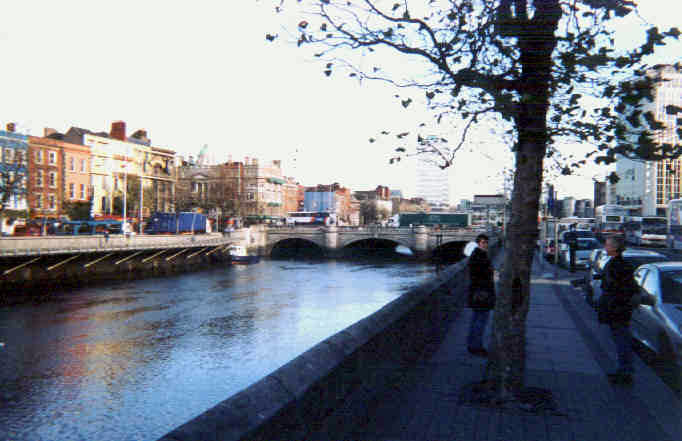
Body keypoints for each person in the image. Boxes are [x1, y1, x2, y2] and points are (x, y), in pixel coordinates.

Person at [597, 235, 638, 385]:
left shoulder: (616, 265)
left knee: (621, 340)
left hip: (617, 308)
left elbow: (615, 287)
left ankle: (625, 372)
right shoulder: (621, 264)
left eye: (607, 245)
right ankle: (624, 370)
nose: (605, 247)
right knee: (622, 339)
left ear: (614, 248)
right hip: (621, 308)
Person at [465, 233, 496, 357]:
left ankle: (472, 344)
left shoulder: (478, 255)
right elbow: (480, 276)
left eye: (486, 242)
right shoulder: (480, 256)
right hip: (482, 292)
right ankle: (476, 346)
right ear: (478, 243)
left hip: (478, 291)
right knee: (480, 320)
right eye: (483, 242)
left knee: (476, 319)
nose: (486, 244)